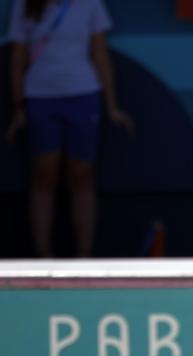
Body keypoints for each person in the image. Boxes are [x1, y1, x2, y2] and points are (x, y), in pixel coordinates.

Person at [6, 0, 132, 258]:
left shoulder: (90, 3)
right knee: (44, 174)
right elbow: (17, 55)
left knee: (82, 173)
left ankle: (84, 255)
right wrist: (18, 106)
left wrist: (111, 105)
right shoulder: (24, 4)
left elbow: (100, 53)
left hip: (83, 95)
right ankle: (43, 255)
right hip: (40, 97)